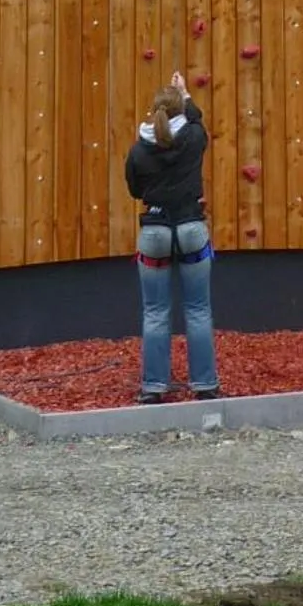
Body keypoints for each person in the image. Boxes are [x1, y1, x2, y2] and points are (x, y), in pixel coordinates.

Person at [124, 70, 219, 403]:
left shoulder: (138, 151)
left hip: (155, 230)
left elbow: (136, 190)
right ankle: (205, 385)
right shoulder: (193, 139)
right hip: (191, 228)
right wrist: (186, 94)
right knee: (198, 309)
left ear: (154, 112)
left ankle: (153, 389)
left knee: (155, 312)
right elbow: (198, 121)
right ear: (181, 110)